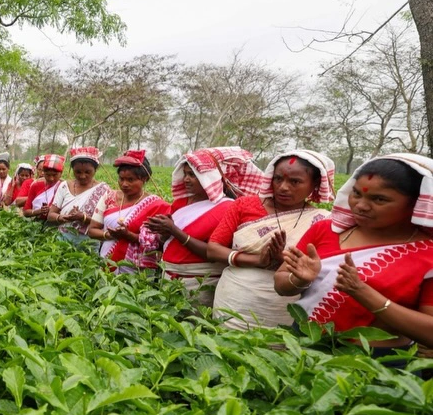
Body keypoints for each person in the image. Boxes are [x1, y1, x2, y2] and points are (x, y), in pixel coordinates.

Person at [275, 154, 433, 351]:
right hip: (303, 345)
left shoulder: (428, 254)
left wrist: (361, 291)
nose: (361, 206)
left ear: (416, 203)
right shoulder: (326, 230)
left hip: (376, 363)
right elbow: (281, 283)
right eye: (357, 194)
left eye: (379, 199)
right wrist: (299, 280)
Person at [207, 149, 335, 330]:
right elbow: (213, 249)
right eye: (278, 179)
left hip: (283, 304)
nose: (283, 187)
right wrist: (258, 260)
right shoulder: (244, 205)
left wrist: (282, 259)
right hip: (234, 298)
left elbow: (319, 268)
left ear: (314, 184)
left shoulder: (321, 220)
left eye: (295, 182)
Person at [141, 147, 263, 304]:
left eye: (192, 175)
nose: (186, 179)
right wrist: (162, 232)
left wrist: (174, 230)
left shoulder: (227, 208)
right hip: (169, 277)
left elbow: (214, 252)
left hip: (200, 283)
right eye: (185, 174)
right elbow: (170, 243)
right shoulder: (181, 203)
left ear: (210, 178)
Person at [87, 150, 170, 272]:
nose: (124, 184)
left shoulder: (156, 205)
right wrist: (109, 235)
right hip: (108, 260)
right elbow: (92, 230)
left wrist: (130, 236)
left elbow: (161, 242)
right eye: (121, 179)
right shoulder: (109, 197)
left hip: (138, 270)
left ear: (144, 179)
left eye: (130, 180)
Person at [47, 147, 112, 245]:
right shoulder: (64, 186)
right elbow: (51, 215)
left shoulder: (104, 190)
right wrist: (62, 217)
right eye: (78, 172)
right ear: (72, 169)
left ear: (96, 169)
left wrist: (83, 218)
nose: (82, 176)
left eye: (87, 172)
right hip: (63, 240)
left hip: (89, 242)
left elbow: (106, 223)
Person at [24, 154, 65, 220]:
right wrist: (39, 211)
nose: (51, 178)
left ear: (61, 173)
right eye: (48, 175)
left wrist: (53, 211)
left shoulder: (64, 187)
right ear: (43, 172)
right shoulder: (36, 185)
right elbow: (26, 212)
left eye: (55, 175)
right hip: (36, 224)